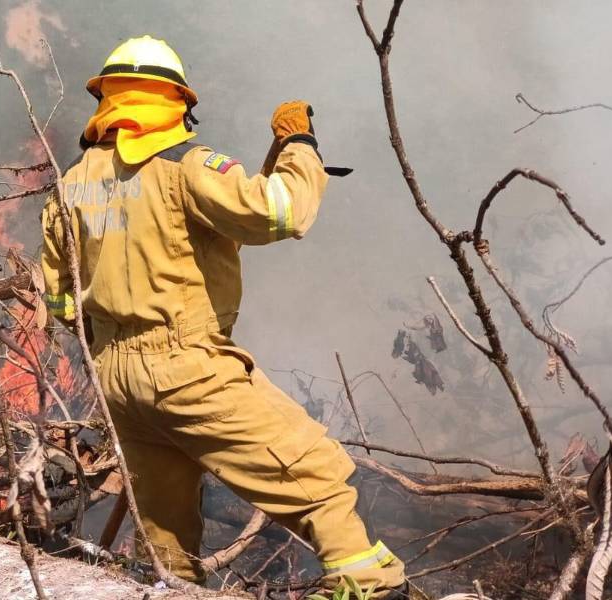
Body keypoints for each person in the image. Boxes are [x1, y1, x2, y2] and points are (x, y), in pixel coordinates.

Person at [40, 36, 415, 597]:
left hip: (114, 379)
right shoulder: (187, 166)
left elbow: (62, 300)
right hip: (185, 368)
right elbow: (281, 212)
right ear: (174, 101)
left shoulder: (70, 185)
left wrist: (114, 341)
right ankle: (372, 585)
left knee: (165, 541)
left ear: (108, 100)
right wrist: (300, 144)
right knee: (317, 475)